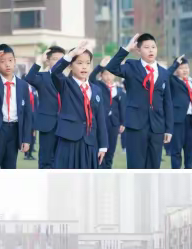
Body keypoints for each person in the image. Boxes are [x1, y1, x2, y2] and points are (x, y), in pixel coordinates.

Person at [105, 33, 173, 169]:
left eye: (153, 47)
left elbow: (167, 102)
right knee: (136, 166)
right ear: (138, 50)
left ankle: (151, 191)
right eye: (146, 47)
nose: (151, 50)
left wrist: (169, 129)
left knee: (154, 167)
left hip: (157, 127)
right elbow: (111, 67)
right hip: (136, 126)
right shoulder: (131, 66)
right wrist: (126, 49)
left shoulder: (164, 73)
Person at [51, 41, 108, 169]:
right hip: (69, 141)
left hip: (90, 142)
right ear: (70, 65)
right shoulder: (65, 84)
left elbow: (100, 119)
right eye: (79, 63)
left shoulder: (96, 89)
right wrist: (71, 54)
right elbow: (55, 72)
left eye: (88, 63)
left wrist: (103, 145)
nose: (84, 67)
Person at [24, 46, 66, 168]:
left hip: (64, 124)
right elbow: (29, 78)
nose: (58, 62)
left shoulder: (67, 79)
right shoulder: (42, 77)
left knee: (62, 159)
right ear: (48, 61)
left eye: (61, 59)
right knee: (46, 159)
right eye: (54, 59)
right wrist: (39, 61)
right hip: (47, 124)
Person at [89, 56, 126, 169]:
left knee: (111, 149)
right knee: (101, 147)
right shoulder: (98, 86)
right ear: (101, 76)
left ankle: (108, 169)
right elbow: (91, 77)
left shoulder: (119, 90)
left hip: (114, 123)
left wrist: (123, 123)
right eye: (106, 74)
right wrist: (100, 66)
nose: (109, 77)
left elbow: (122, 108)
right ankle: (99, 168)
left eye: (111, 74)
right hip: (102, 122)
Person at [166, 55, 192, 169]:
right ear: (176, 71)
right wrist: (174, 65)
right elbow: (165, 76)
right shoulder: (173, 81)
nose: (185, 70)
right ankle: (176, 176)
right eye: (181, 68)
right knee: (176, 151)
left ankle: (188, 175)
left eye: (186, 68)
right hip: (178, 121)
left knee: (190, 152)